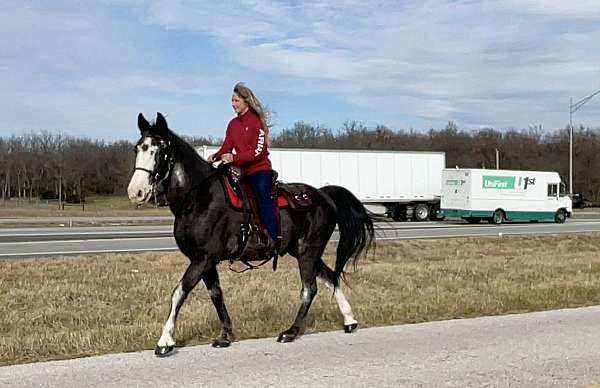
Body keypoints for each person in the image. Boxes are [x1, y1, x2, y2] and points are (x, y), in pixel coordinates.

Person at [208, 82, 278, 257]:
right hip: (242, 170)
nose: (233, 104)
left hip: (259, 169)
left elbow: (258, 151)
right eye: (232, 100)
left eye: (236, 100)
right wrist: (215, 156)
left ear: (246, 101)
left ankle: (274, 238)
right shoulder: (232, 124)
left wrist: (235, 158)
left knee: (263, 197)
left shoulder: (256, 122)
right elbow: (227, 146)